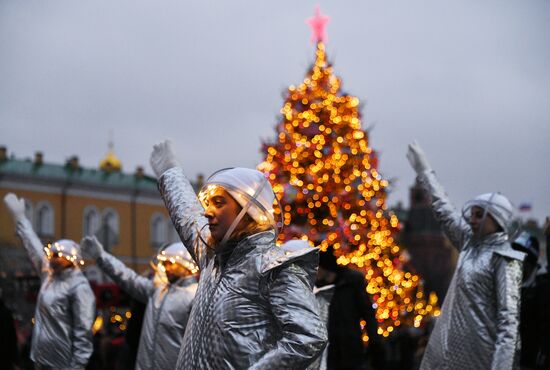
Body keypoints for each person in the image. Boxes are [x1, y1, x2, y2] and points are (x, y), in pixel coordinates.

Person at [150, 140, 327, 369]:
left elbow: (308, 337)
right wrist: (170, 172)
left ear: (248, 209)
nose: (208, 212)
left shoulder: (271, 267)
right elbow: (188, 215)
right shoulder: (211, 257)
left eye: (219, 202)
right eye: (208, 203)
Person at [406, 142, 524, 370]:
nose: (472, 220)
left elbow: (508, 323)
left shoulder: (505, 260)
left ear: (497, 219)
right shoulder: (469, 244)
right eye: (472, 214)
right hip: (448, 356)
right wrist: (424, 171)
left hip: (481, 358)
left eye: (480, 215)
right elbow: (444, 208)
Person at [3, 193, 95, 370]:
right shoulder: (49, 276)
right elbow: (34, 247)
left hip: (63, 362)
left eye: (58, 256)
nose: (52, 259)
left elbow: (83, 330)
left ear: (71, 258)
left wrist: (78, 365)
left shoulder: (79, 287)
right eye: (51, 254)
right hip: (40, 357)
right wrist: (20, 219)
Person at [81, 237, 198, 370]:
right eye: (164, 263)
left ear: (186, 265)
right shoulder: (157, 291)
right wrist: (101, 256)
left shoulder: (194, 296)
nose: (166, 267)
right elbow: (127, 278)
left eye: (170, 263)